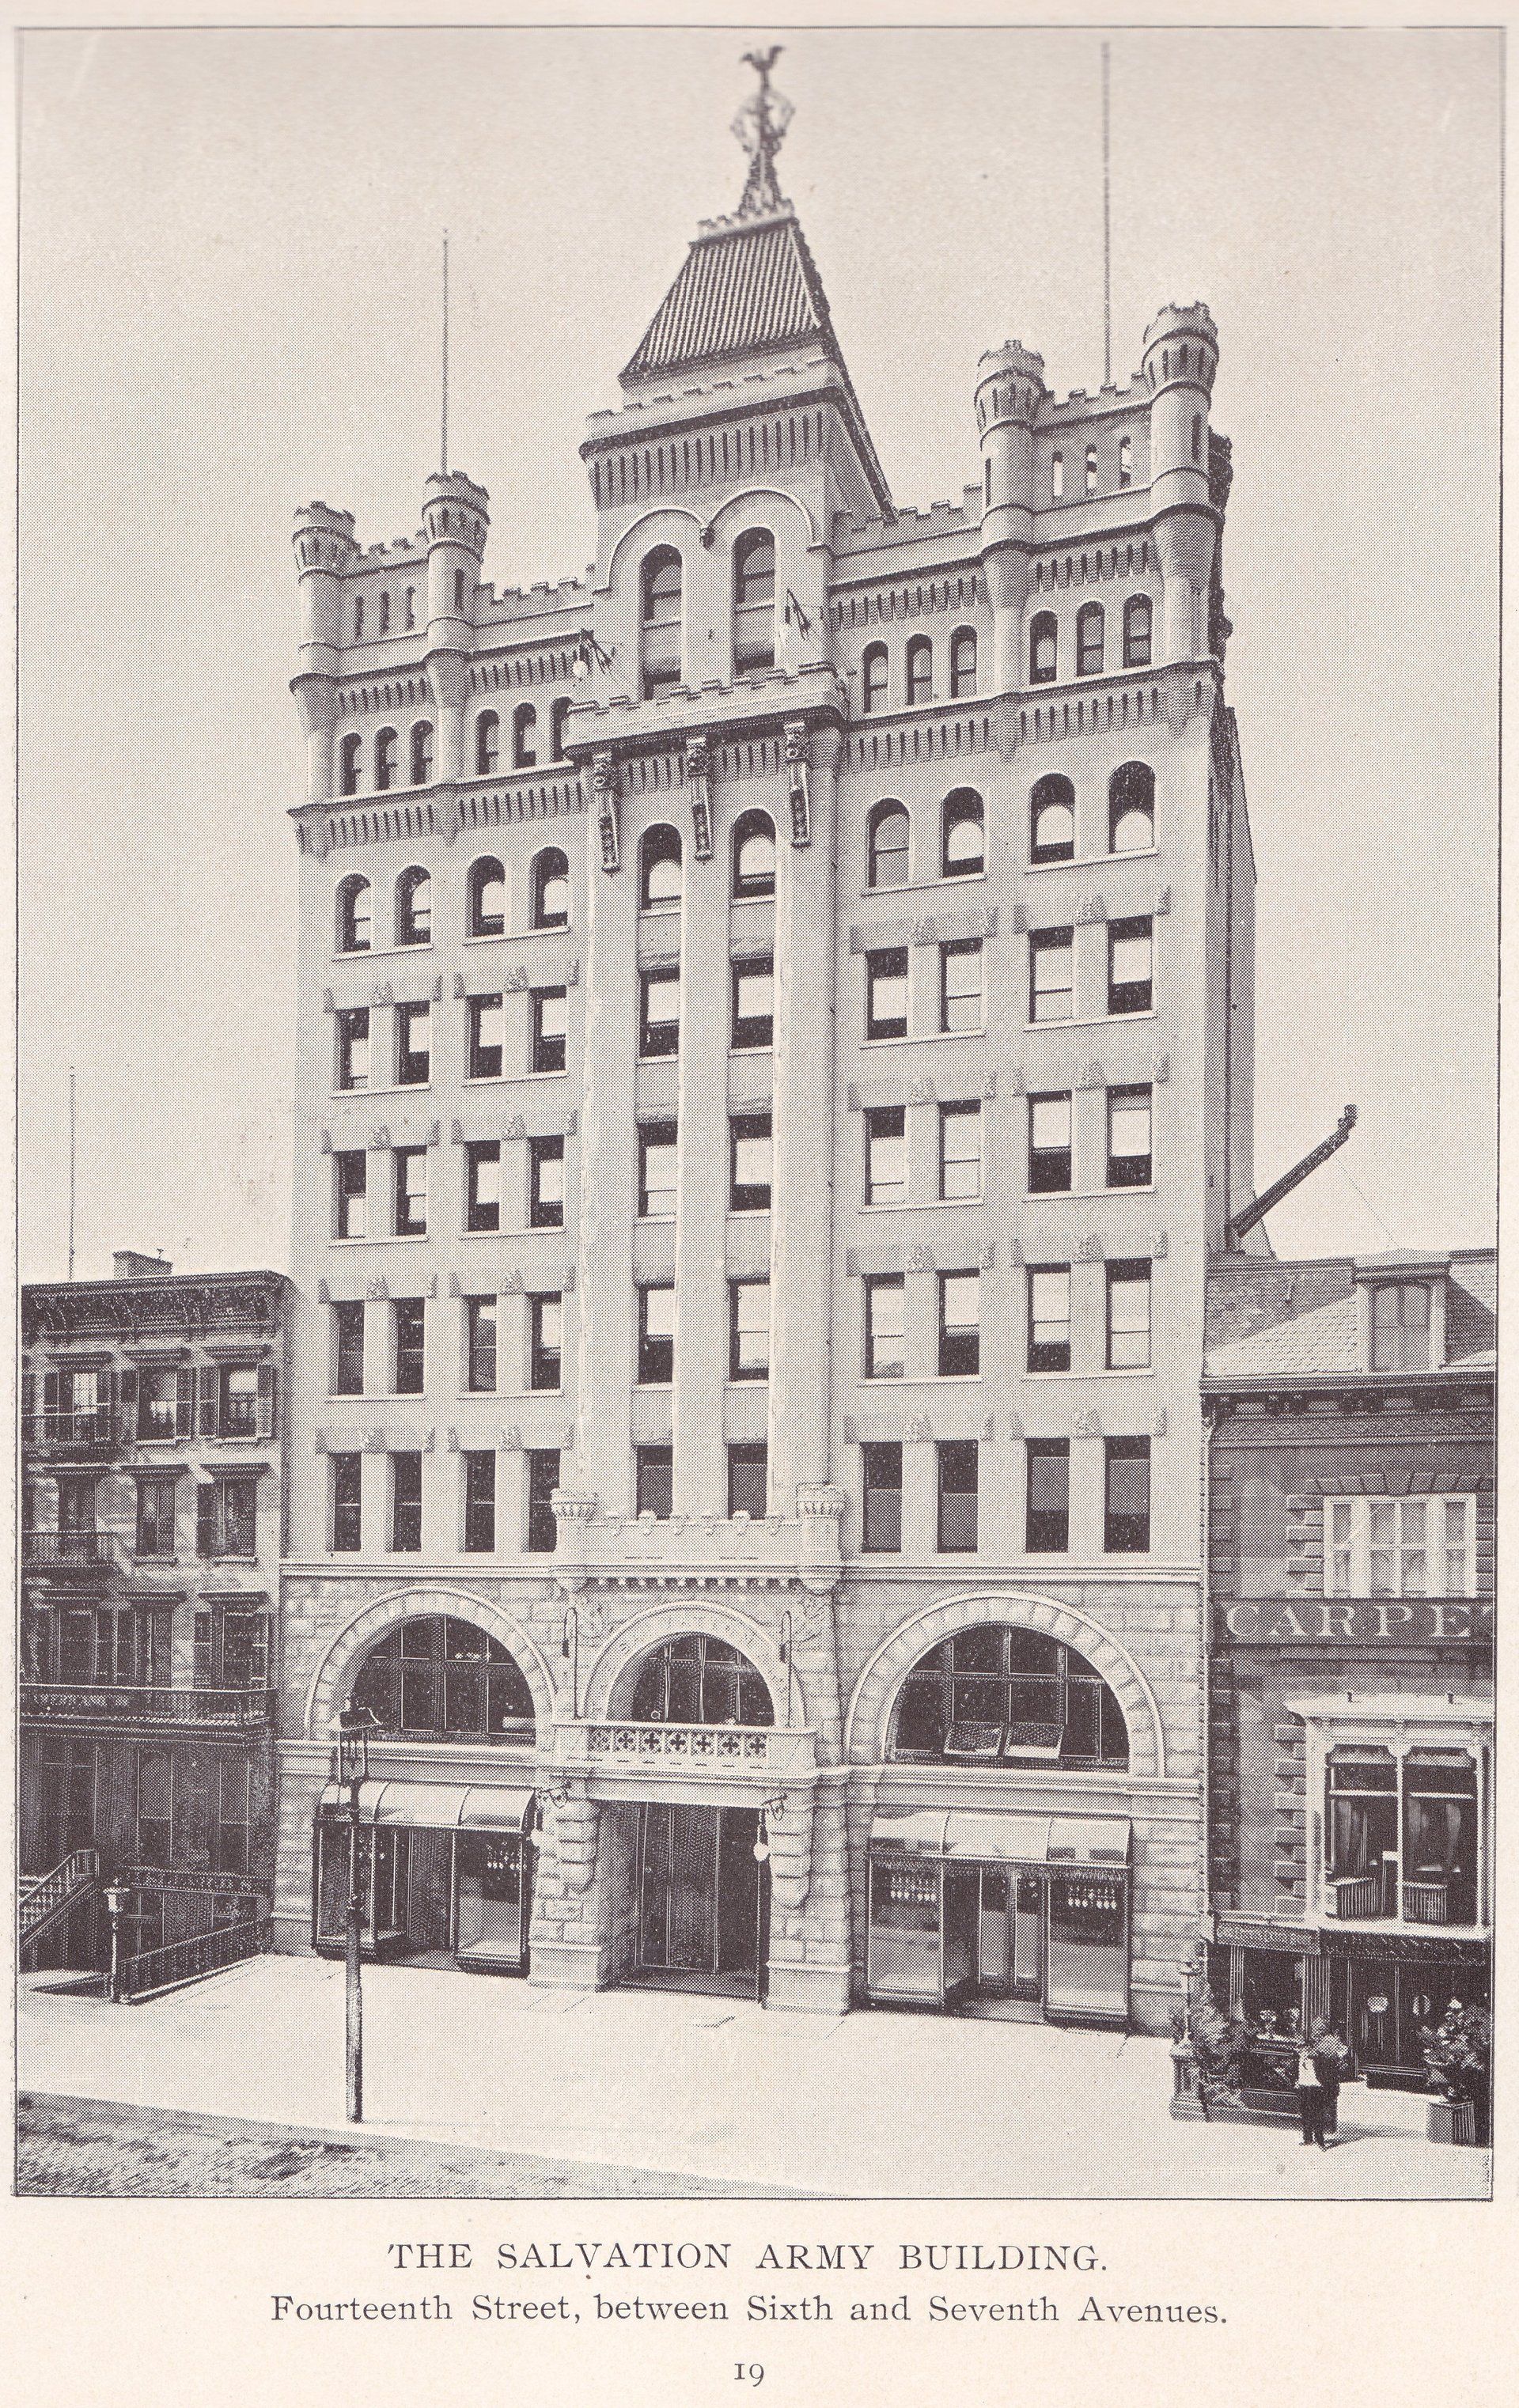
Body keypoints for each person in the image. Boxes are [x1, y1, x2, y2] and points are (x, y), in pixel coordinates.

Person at [1296, 2038, 1328, 2147]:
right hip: (1304, 2087)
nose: (1302, 2052)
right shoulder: (1299, 2059)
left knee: (1317, 2114)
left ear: (1309, 2049)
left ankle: (1320, 2140)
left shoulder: (1317, 2059)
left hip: (1315, 2087)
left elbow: (1323, 2073)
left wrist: (1323, 2083)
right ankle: (1307, 2138)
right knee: (1305, 2114)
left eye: (1304, 2050)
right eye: (1300, 2050)